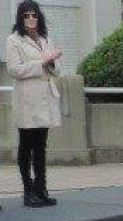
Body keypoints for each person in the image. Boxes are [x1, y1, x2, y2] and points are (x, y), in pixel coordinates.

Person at [6, 0, 62, 208]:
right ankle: (28, 191)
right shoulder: (14, 40)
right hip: (28, 100)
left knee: (41, 146)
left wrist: (52, 62)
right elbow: (14, 69)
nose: (31, 19)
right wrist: (42, 63)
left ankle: (42, 189)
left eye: (34, 15)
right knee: (26, 146)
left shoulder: (45, 38)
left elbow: (57, 69)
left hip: (45, 99)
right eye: (26, 15)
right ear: (20, 18)